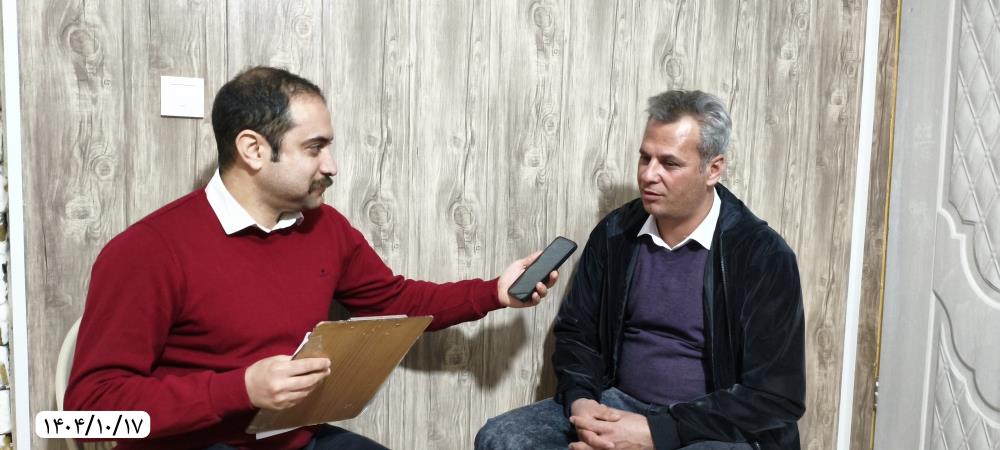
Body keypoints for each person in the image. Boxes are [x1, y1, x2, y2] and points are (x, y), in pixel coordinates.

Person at [64, 66, 559, 450]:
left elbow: (394, 301)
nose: (332, 166)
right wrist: (239, 390)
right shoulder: (148, 250)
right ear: (253, 149)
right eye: (314, 148)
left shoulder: (325, 228)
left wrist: (493, 292)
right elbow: (87, 414)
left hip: (299, 440)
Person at [475, 90, 805, 450]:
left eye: (670, 164)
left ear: (713, 169)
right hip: (616, 405)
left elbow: (774, 396)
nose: (649, 175)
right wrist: (583, 403)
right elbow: (577, 333)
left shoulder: (762, 254)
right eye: (645, 158)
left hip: (710, 425)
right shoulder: (615, 232)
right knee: (500, 438)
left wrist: (656, 432)